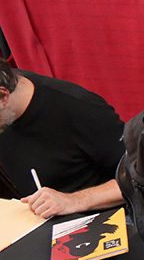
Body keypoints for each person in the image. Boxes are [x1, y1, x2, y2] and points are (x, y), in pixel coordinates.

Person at [0, 58, 124, 218]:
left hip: (102, 222)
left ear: (3, 95)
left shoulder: (80, 108)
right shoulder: (6, 111)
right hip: (37, 222)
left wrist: (74, 201)